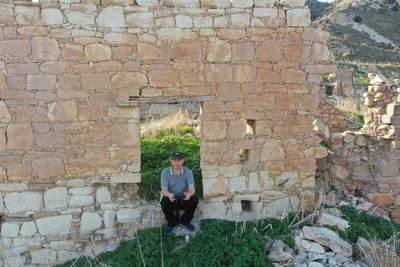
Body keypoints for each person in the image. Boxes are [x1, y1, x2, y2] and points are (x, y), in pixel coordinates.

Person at [160, 152, 199, 234]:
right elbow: (164, 190)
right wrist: (169, 195)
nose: (177, 163)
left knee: (194, 200)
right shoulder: (165, 172)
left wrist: (189, 194)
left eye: (179, 160)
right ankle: (172, 223)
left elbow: (192, 189)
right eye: (174, 160)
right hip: (172, 196)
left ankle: (185, 221)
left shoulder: (188, 172)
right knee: (164, 203)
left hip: (184, 195)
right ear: (171, 161)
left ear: (183, 161)